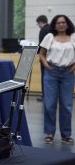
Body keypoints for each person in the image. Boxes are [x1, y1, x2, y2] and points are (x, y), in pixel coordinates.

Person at [38, 14, 75, 145]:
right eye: (58, 23)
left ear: (67, 24)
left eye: (63, 22)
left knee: (67, 105)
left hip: (68, 73)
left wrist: (74, 66)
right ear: (54, 25)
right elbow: (41, 54)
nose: (61, 24)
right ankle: (49, 133)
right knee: (49, 104)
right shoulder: (49, 37)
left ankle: (66, 134)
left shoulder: (73, 37)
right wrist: (47, 65)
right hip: (51, 72)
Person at [36, 15, 51, 101]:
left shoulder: (43, 30)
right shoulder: (51, 29)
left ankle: (44, 96)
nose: (38, 25)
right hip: (51, 58)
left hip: (44, 57)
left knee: (44, 76)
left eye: (38, 24)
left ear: (40, 22)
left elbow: (42, 45)